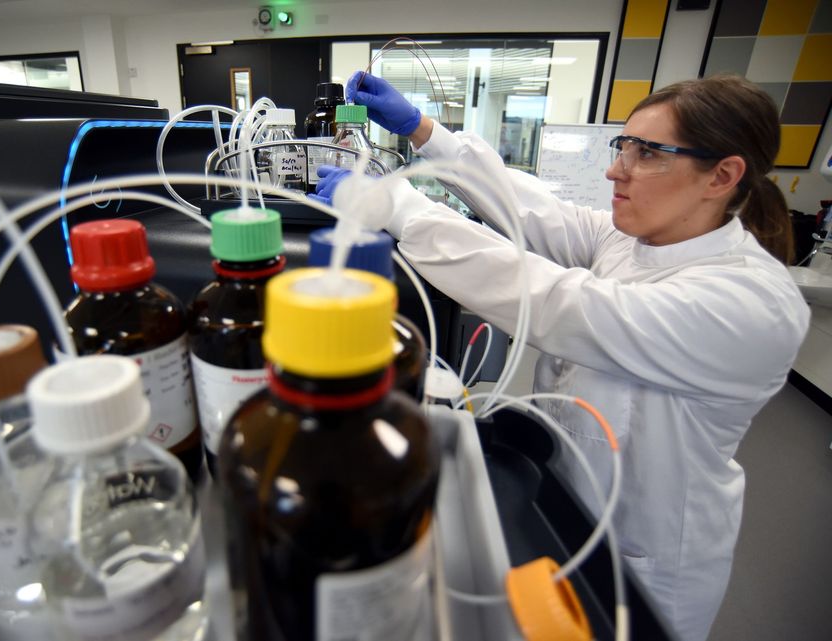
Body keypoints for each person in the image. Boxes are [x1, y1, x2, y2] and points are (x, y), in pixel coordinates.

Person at [314, 71, 810, 641]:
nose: (614, 169)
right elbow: (534, 211)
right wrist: (424, 131)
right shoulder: (637, 239)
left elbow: (557, 303)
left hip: (646, 554)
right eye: (623, 145)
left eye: (647, 153)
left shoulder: (751, 305)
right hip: (561, 498)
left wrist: (397, 206)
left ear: (721, 176)